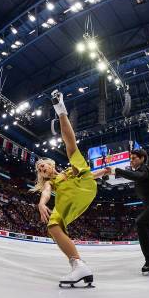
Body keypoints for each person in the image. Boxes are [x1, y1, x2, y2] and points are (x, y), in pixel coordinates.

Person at [33, 90, 111, 287]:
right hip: (71, 199)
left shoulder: (67, 171)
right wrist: (42, 204)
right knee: (53, 226)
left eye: (44, 165)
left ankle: (61, 110)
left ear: (51, 164)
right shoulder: (51, 183)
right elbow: (46, 193)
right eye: (40, 170)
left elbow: (89, 176)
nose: (42, 169)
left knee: (71, 150)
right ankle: (78, 265)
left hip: (83, 184)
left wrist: (103, 172)